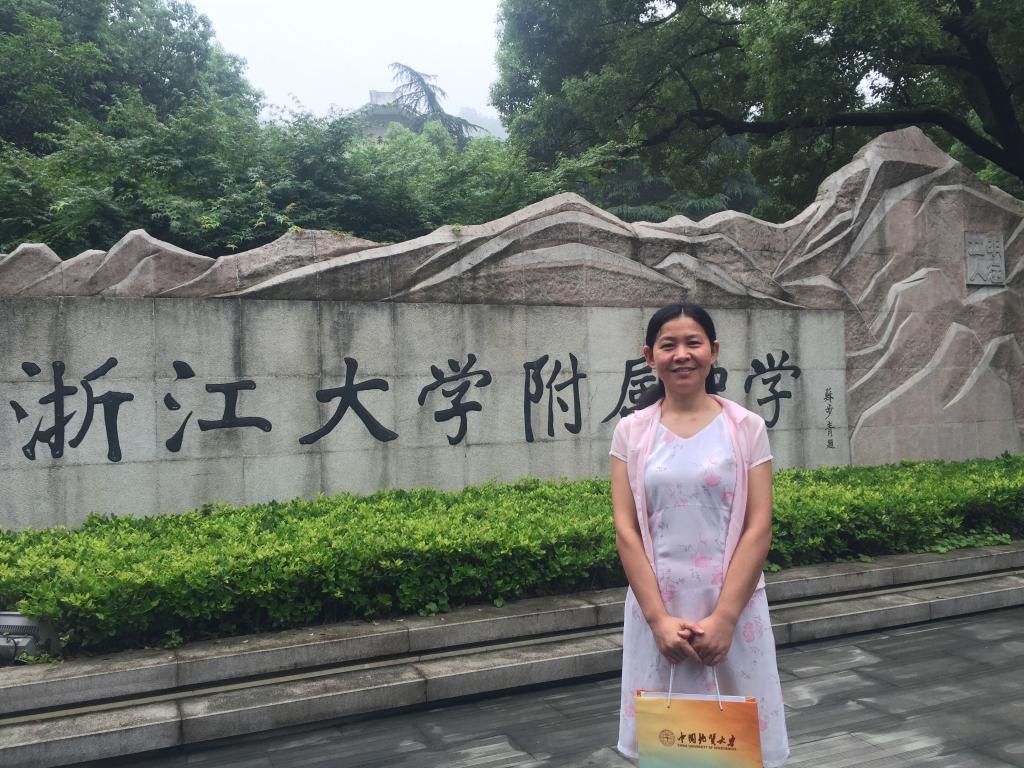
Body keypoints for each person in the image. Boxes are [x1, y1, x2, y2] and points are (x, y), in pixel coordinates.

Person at [610, 303, 789, 766]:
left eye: (693, 343)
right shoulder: (631, 432)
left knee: (738, 746)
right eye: (668, 345)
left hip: (732, 604)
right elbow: (627, 529)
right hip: (659, 606)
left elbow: (758, 525)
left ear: (714, 350)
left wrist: (725, 618)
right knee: (667, 745)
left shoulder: (746, 428)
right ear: (649, 356)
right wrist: (658, 620)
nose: (681, 355)